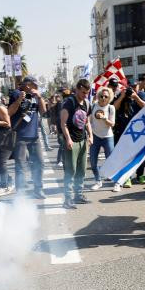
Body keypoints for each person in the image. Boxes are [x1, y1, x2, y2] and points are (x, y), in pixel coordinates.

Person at [8, 76, 47, 199]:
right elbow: (9, 112)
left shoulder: (36, 96)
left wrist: (39, 97)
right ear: (28, 85)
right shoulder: (16, 93)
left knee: (39, 163)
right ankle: (20, 194)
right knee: (20, 165)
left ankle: (38, 189)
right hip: (20, 136)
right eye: (34, 85)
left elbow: (43, 111)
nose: (36, 88)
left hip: (34, 136)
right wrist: (19, 100)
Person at [58, 79, 92, 209]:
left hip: (83, 140)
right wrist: (68, 139)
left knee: (81, 171)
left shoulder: (87, 103)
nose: (85, 95)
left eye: (87, 93)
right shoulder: (69, 103)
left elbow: (87, 121)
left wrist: (91, 135)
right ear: (77, 89)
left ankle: (78, 195)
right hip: (71, 142)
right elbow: (63, 123)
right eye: (83, 92)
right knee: (70, 171)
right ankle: (67, 199)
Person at [88, 86, 116, 190]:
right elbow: (89, 121)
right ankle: (98, 181)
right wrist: (89, 134)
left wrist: (104, 118)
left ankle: (116, 182)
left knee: (111, 160)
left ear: (109, 98)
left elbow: (112, 124)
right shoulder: (94, 105)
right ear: (98, 96)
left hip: (108, 137)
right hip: (95, 136)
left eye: (106, 96)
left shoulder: (110, 108)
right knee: (93, 161)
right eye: (101, 96)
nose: (103, 98)